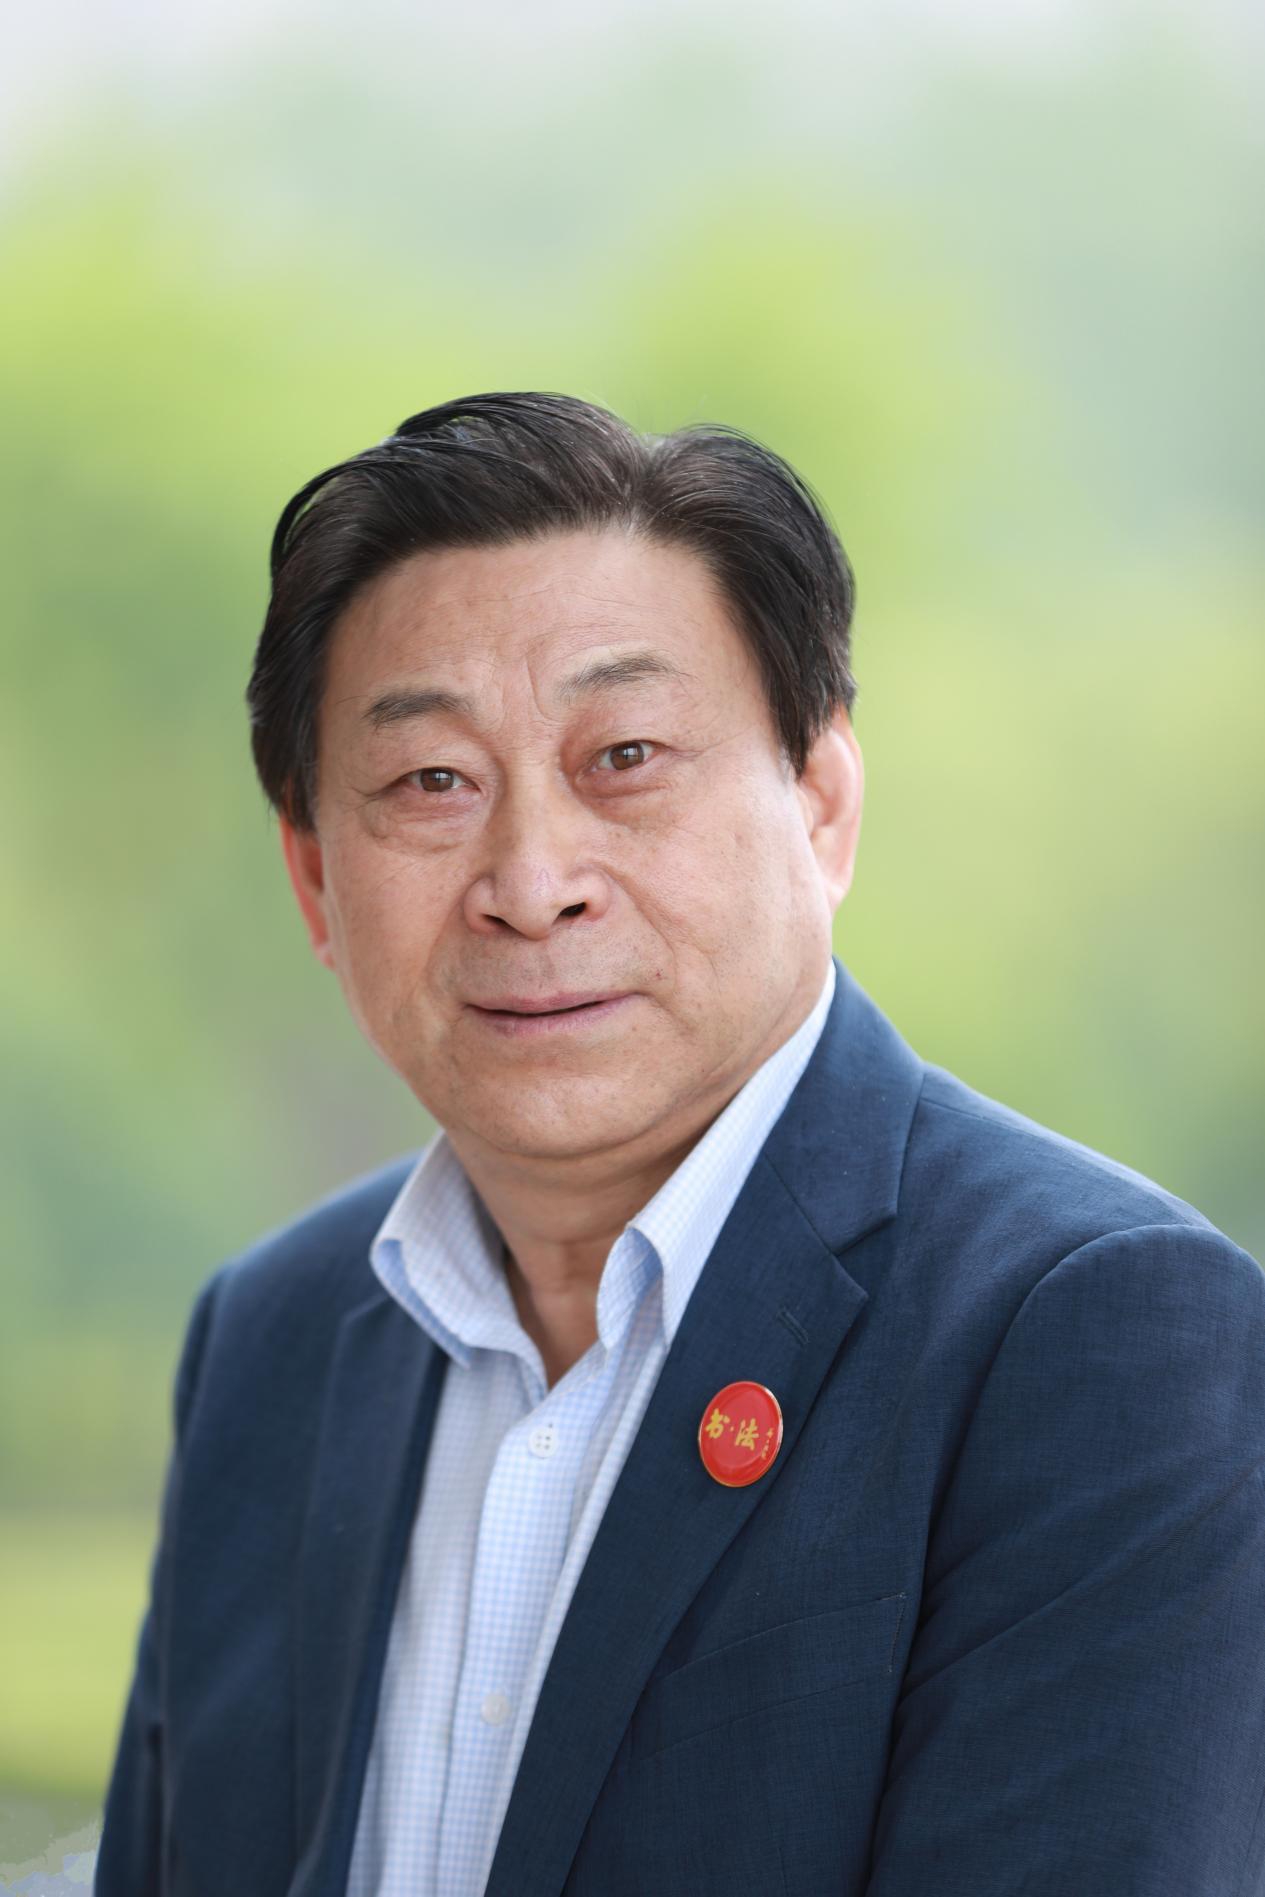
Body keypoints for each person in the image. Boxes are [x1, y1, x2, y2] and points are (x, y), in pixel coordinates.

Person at [96, 391, 1265, 1896]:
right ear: (316, 879)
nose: (531, 881)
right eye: (432, 780)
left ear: (820, 805)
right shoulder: (271, 1338)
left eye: (626, 754)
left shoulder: (1100, 1334)